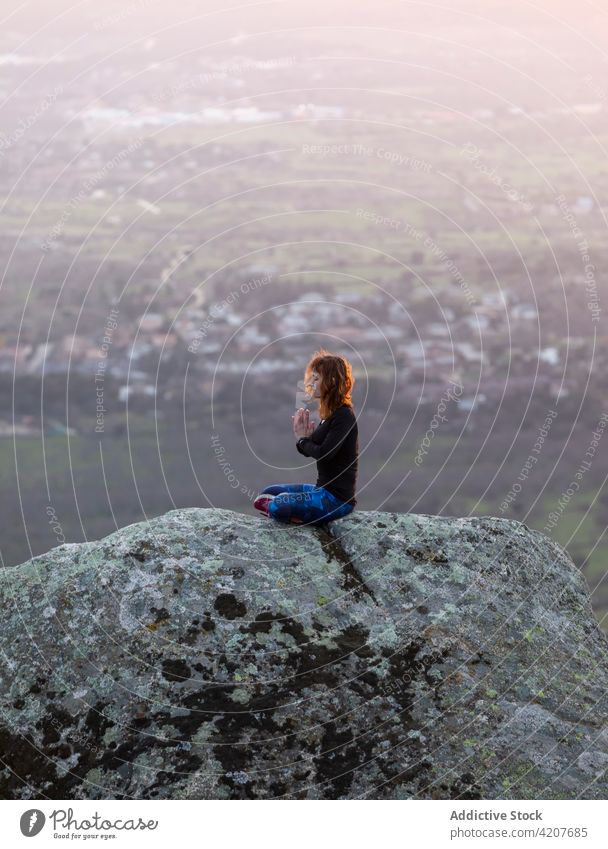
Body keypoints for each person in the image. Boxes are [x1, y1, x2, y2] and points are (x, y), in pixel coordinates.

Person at [254, 349, 358, 526]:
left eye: (316, 378)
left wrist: (304, 441)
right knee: (268, 493)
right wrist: (302, 438)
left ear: (331, 381)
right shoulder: (329, 415)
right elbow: (309, 450)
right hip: (321, 490)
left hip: (336, 500)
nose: (311, 382)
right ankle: (298, 515)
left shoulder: (344, 416)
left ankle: (300, 519)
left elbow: (325, 453)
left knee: (278, 505)